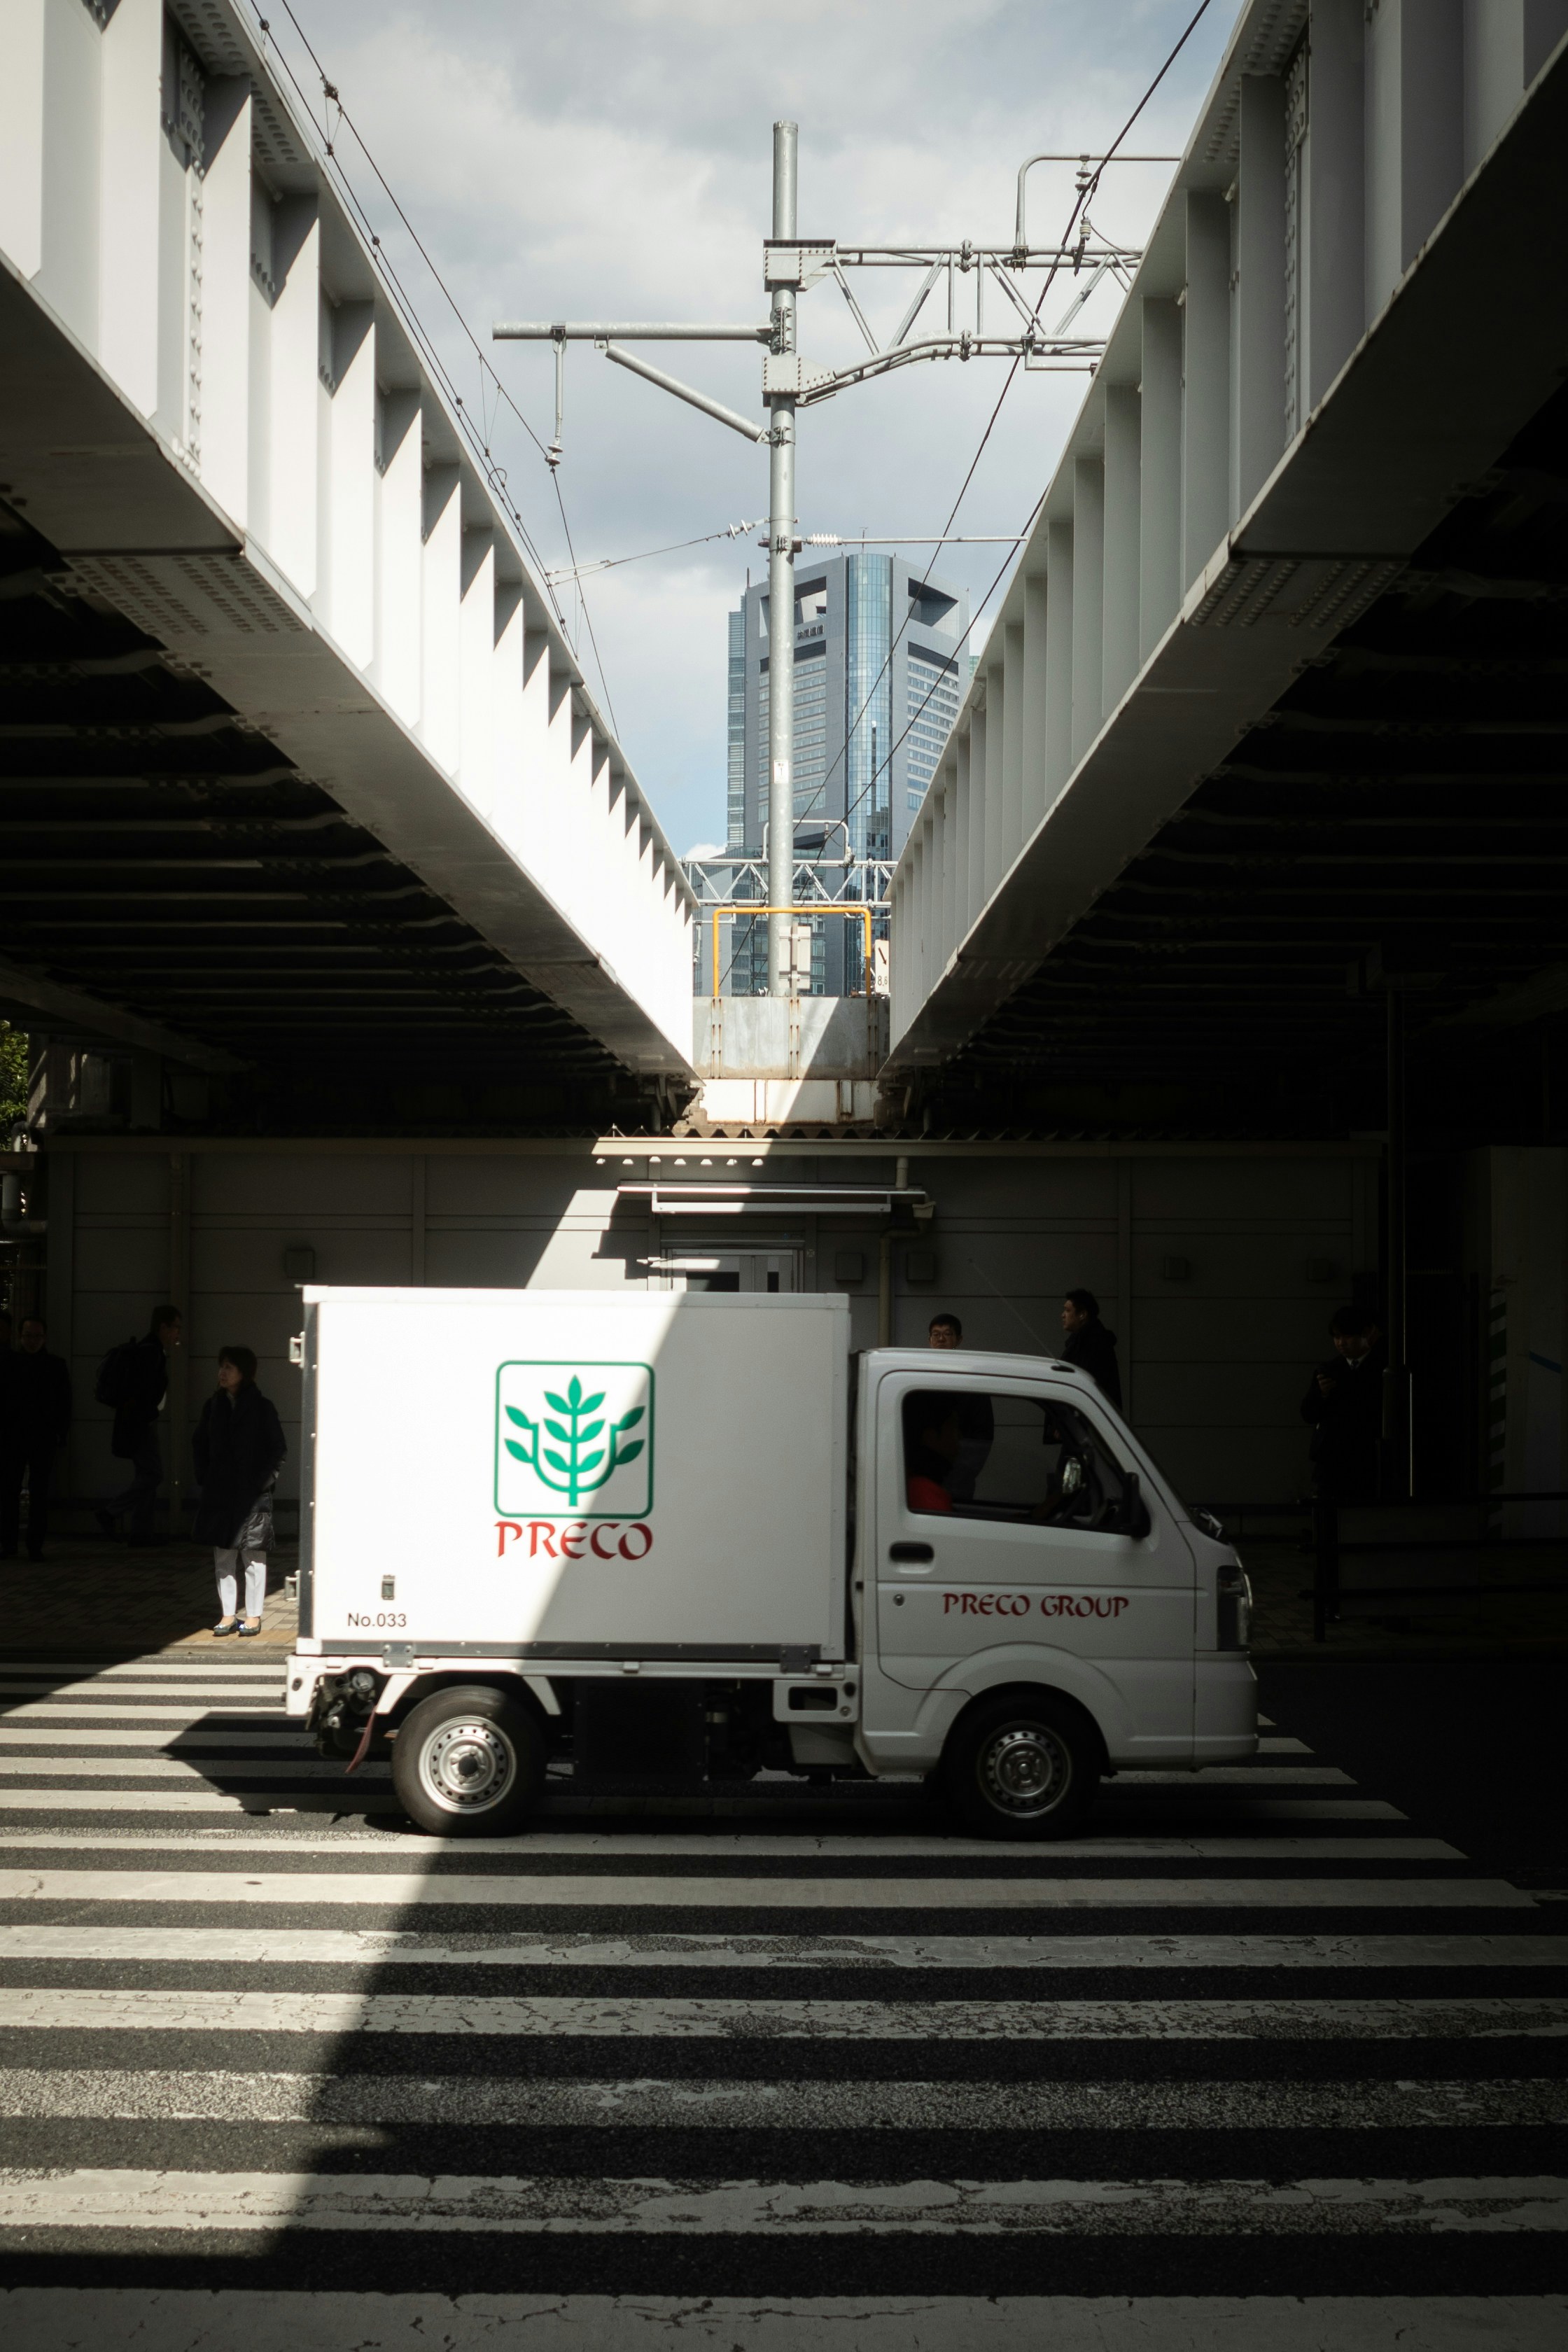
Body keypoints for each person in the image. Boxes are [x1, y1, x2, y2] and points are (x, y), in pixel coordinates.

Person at [193, 1345, 286, 1637]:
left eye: (229, 1367)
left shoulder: (262, 1407)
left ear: (244, 1372)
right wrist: (206, 1478)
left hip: (252, 1494)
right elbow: (200, 1445)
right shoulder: (213, 1407)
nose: (222, 1372)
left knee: (253, 1557)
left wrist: (263, 1482)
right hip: (220, 1492)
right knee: (223, 1556)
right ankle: (228, 1614)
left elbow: (277, 1449)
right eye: (221, 1366)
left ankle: (255, 1616)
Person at [97, 1305, 182, 1547]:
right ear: (163, 1327)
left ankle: (141, 1532)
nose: (178, 1334)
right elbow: (144, 1392)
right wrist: (150, 1413)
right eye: (176, 1327)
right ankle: (111, 1512)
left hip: (138, 1420)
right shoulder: (151, 1352)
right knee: (153, 1474)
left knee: (146, 1474)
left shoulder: (150, 1350)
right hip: (141, 1422)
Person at [1, 1315, 71, 1560]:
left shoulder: (13, 1363)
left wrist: (60, 1432)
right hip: (23, 1436)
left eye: (37, 1336)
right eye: (29, 1336)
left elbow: (65, 1404)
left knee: (30, 1493)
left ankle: (23, 1545)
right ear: (20, 1337)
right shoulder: (52, 1365)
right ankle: (23, 1545)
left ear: (44, 1337)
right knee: (20, 1492)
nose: (33, 1341)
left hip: (30, 1436)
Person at [1301, 1303, 1386, 1500]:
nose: (1341, 1343)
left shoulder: (1383, 1368)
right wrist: (1321, 1394)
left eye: (1347, 1337)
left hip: (1369, 1458)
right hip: (1334, 1460)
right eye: (1337, 1337)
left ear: (1366, 1334)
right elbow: (1307, 1413)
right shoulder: (1328, 1370)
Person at [926, 1312, 994, 1500]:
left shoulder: (972, 1381)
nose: (941, 1339)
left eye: (947, 1334)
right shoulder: (918, 1378)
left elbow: (982, 1434)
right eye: (936, 1334)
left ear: (959, 1339)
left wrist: (962, 1475)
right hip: (923, 1477)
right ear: (929, 1340)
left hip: (959, 1481)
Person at [1060, 1288, 1122, 1410]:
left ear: (1082, 1314)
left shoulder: (1093, 1345)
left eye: (1067, 1310)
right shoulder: (1083, 1341)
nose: (1063, 1315)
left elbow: (1080, 1387)